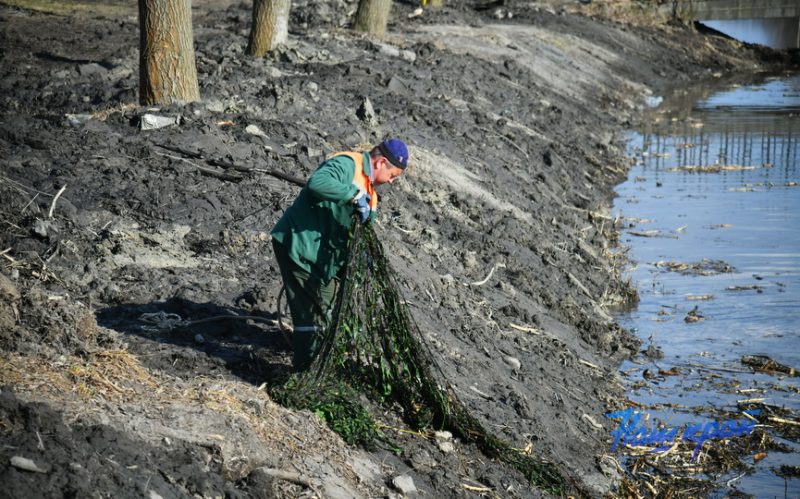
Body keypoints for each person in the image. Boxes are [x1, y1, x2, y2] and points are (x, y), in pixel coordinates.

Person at [271, 138, 409, 370]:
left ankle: (314, 358)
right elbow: (317, 182)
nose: (393, 182)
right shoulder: (348, 165)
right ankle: (304, 372)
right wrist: (353, 195)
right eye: (393, 175)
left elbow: (358, 234)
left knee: (330, 312)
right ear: (381, 163)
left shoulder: (372, 197)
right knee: (312, 319)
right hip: (300, 246)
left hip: (324, 260)